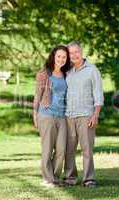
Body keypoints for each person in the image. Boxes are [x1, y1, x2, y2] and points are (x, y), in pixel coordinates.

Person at [64, 41, 104, 187]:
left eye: (76, 52)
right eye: (71, 53)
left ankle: (89, 179)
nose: (74, 55)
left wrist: (96, 114)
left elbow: (98, 94)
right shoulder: (67, 71)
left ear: (81, 52)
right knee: (69, 150)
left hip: (86, 115)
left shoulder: (92, 70)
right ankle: (70, 178)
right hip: (69, 116)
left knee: (87, 149)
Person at [33, 45, 71, 187]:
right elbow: (37, 96)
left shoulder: (66, 74)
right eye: (59, 56)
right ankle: (48, 178)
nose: (61, 59)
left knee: (61, 149)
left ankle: (55, 177)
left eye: (64, 57)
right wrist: (35, 114)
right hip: (46, 115)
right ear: (53, 57)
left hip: (62, 116)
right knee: (47, 148)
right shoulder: (44, 74)